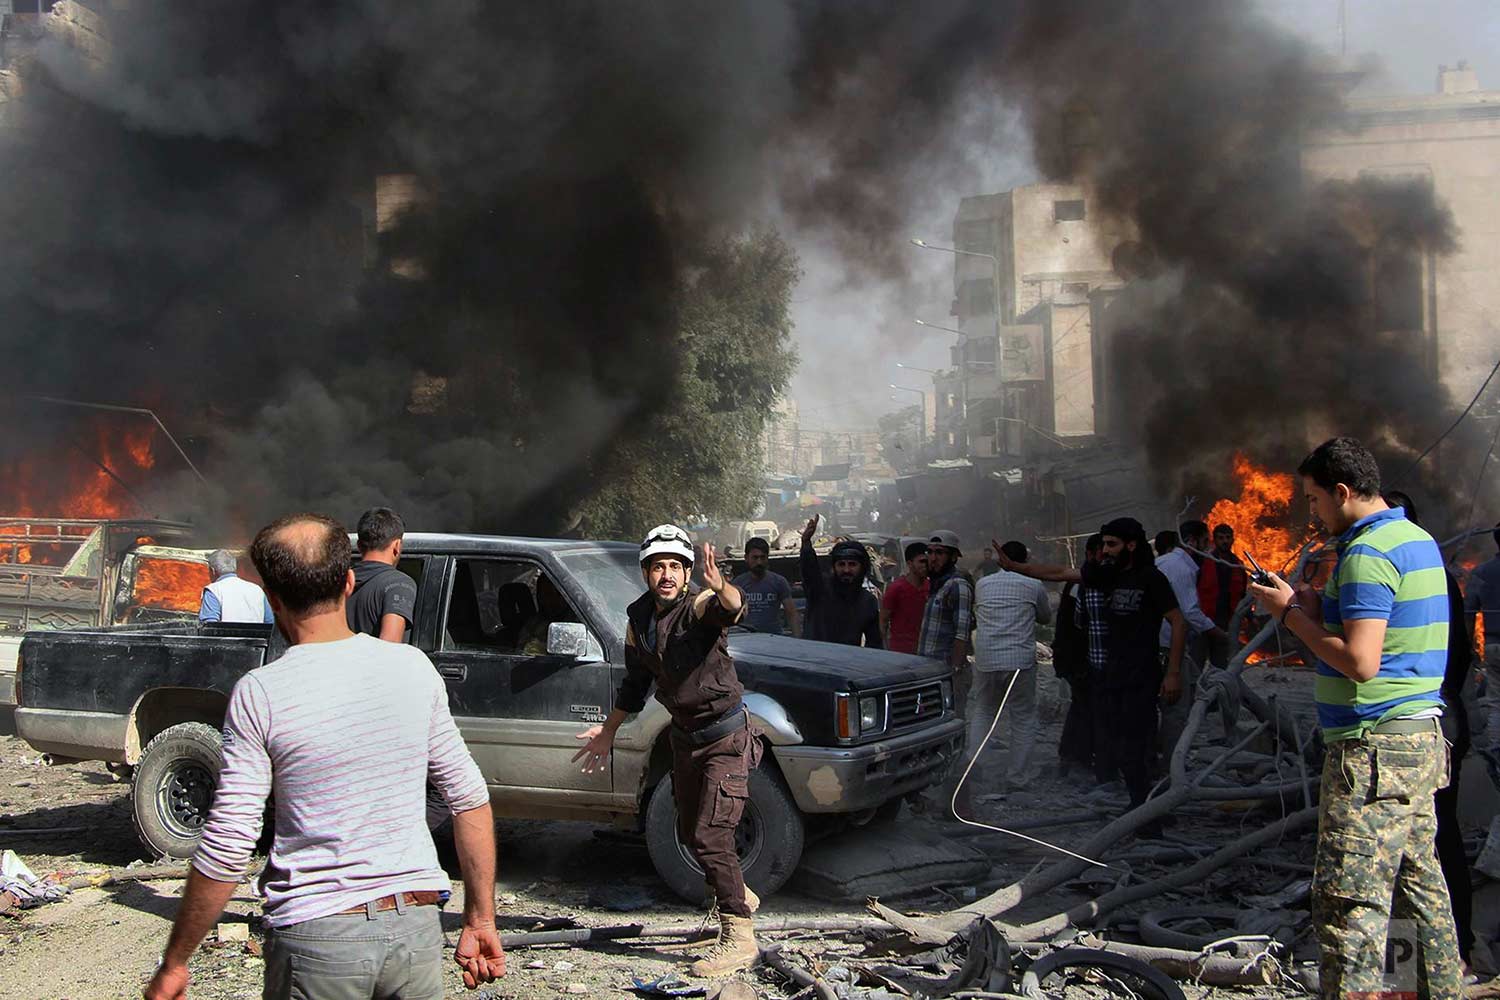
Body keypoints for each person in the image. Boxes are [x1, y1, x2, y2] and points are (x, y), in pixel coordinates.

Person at [143, 514, 503, 1000]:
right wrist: (480, 918)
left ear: (271, 599)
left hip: (318, 939)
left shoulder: (261, 692)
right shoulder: (413, 668)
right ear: (350, 582)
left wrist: (176, 960)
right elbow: (469, 797)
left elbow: (230, 842)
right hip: (415, 933)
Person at [1248, 437, 1459, 998]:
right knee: (1416, 894)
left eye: (1314, 501)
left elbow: (1362, 663)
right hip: (1416, 744)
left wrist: (1291, 614)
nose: (1312, 513)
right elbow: (1387, 635)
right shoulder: (1415, 539)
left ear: (1342, 492)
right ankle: (1429, 990)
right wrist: (1320, 607)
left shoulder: (1366, 554)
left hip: (1372, 754)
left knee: (1348, 904)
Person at [571, 525, 761, 977]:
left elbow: (730, 609)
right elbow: (637, 681)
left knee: (713, 836)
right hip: (685, 737)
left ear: (688, 572)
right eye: (658, 566)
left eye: (676, 566)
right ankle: (735, 898)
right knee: (696, 832)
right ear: (645, 573)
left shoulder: (698, 607)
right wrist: (609, 731)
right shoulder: (638, 619)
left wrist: (723, 588)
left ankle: (740, 935)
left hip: (724, 737)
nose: (667, 574)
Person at [998, 517, 1186, 817]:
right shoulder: (1106, 576)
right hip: (1112, 674)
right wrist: (1017, 567)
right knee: (1119, 744)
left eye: (1113, 544)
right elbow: (1060, 572)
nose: (1107, 551)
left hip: (1142, 675)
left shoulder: (1150, 578)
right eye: (1105, 545)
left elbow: (1177, 620)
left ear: (1132, 545)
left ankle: (1150, 814)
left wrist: (1173, 673)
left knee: (1139, 746)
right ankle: (1140, 808)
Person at [1385, 488, 1475, 972]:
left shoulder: (1410, 575)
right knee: (1430, 845)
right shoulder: (1434, 573)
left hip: (1418, 731)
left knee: (1412, 851)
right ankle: (1448, 956)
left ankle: (1427, 963)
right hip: (1437, 724)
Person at [970, 540, 1052, 797]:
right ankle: (1018, 777)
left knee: (983, 710)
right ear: (1024, 561)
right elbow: (1045, 617)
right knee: (1023, 717)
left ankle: (974, 766)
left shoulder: (982, 584)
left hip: (986, 659)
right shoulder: (1033, 584)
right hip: (1018, 661)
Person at [1155, 520, 1226, 755]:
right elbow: (1190, 612)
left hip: (1156, 643)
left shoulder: (1165, 561)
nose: (1208, 549)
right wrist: (1218, 634)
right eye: (1205, 542)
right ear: (1192, 541)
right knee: (1175, 708)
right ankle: (1170, 766)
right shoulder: (1182, 568)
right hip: (1167, 645)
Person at [1053, 534, 1101, 779]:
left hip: (1077, 657)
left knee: (1082, 706)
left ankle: (1071, 756)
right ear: (1090, 554)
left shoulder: (1081, 582)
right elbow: (1074, 628)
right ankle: (1078, 758)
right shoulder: (1080, 584)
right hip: (1078, 658)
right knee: (1085, 707)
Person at [798, 517, 881, 647]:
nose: (846, 570)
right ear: (834, 567)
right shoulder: (820, 591)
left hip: (848, 663)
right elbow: (809, 572)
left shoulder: (868, 601)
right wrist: (806, 543)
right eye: (841, 564)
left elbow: (874, 643)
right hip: (815, 661)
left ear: (862, 567)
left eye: (852, 564)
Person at [348, 507, 418, 642]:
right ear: (397, 546)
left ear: (359, 546)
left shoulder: (339, 583)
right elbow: (390, 647)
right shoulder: (399, 584)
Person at [1466, 522, 1500, 760]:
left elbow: (1469, 615)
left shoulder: (1482, 573)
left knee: (1497, 701)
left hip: (1493, 645)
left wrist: (1470, 648)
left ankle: (1497, 748)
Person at [1197, 523, 1247, 668]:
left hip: (1226, 620)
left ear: (1233, 539)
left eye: (1227, 538)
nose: (1224, 541)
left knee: (1220, 662)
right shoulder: (1204, 561)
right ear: (1215, 540)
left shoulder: (1238, 565)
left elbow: (1242, 594)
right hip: (1204, 619)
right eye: (1220, 538)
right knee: (1197, 661)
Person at [731, 537, 799, 637]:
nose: (759, 562)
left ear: (767, 558)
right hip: (745, 638)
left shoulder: (779, 582)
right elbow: (729, 614)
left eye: (762, 557)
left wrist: (798, 641)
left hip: (773, 637)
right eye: (755, 557)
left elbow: (791, 612)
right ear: (746, 558)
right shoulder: (738, 583)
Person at [197, 549, 273, 625]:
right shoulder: (257, 590)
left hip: (225, 637)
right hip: (257, 637)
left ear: (212, 571)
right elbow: (270, 623)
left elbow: (209, 626)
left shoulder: (213, 590)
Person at [880, 540, 929, 654]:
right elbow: (883, 622)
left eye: (927, 562)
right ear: (909, 563)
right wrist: (885, 651)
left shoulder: (932, 588)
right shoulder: (896, 588)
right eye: (921, 562)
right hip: (900, 652)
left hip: (925, 651)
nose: (925, 566)